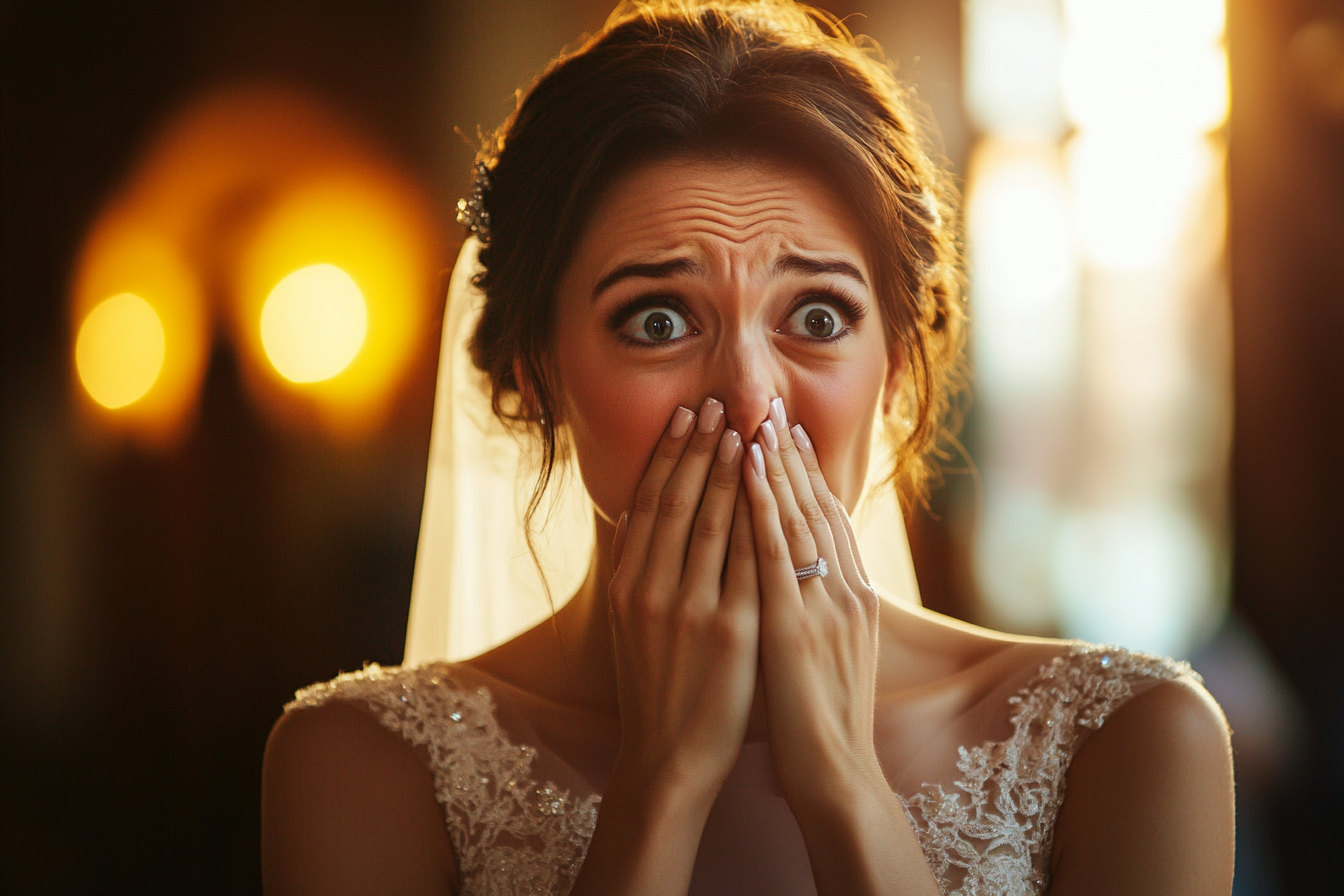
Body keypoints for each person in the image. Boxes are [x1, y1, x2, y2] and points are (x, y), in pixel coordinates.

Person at [260, 2, 1235, 894]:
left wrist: (846, 788)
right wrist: (662, 782)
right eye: (656, 320)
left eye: (816, 313)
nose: (752, 398)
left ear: (897, 367)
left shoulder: (1126, 739)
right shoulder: (364, 759)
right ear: (531, 373)